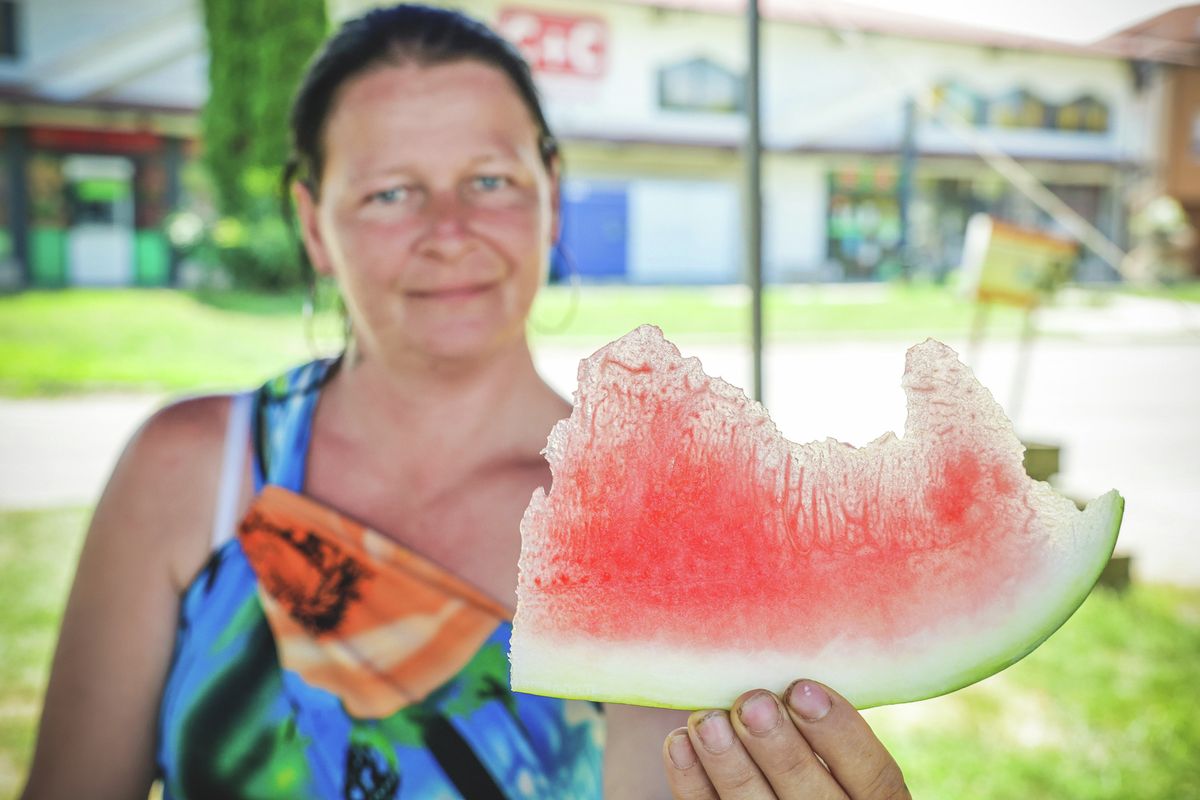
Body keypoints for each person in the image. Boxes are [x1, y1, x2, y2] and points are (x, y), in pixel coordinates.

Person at [20, 5, 908, 798]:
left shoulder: (660, 530)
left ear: (551, 198)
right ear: (311, 222)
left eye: (489, 180)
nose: (449, 234)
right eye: (390, 193)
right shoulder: (190, 470)